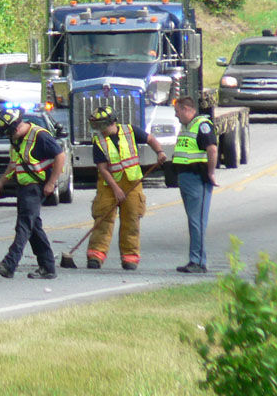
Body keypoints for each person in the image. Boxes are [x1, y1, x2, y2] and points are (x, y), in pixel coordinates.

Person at [86, 106, 167, 271]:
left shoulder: (130, 131)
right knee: (103, 219)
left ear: (112, 122)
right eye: (97, 127)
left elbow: (150, 139)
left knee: (131, 220)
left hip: (132, 183)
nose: (100, 130)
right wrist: (116, 189)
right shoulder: (99, 141)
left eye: (102, 126)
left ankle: (130, 257)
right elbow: (103, 168)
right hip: (108, 185)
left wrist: (159, 152)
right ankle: (96, 255)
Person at [0, 108, 64, 279]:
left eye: (7, 133)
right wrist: (1, 181)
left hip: (36, 187)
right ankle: (48, 267)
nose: (7, 137)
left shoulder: (40, 136)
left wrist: (51, 183)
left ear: (14, 128)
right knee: (34, 228)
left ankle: (9, 264)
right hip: (23, 187)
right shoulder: (16, 140)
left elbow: (60, 156)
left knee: (24, 226)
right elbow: (14, 163)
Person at [172, 96, 218, 273]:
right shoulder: (186, 127)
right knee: (193, 221)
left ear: (185, 109)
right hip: (185, 178)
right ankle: (194, 259)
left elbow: (212, 149)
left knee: (196, 221)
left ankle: (198, 261)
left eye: (177, 112)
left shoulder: (202, 125)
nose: (176, 116)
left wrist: (211, 173)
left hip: (197, 178)